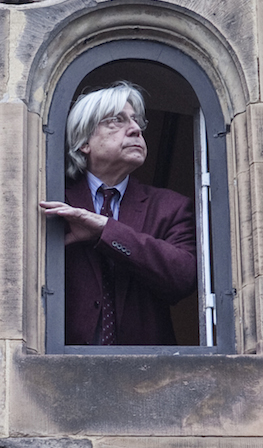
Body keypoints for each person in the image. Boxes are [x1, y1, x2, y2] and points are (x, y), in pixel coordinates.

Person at [39, 83, 197, 346]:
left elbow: (183, 279)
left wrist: (107, 231)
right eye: (116, 121)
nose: (135, 129)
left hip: (149, 375)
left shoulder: (170, 206)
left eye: (136, 121)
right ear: (84, 142)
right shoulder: (55, 202)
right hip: (60, 371)